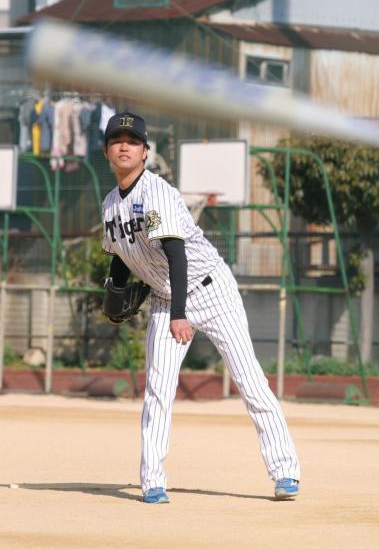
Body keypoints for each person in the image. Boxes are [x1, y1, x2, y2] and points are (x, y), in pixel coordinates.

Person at [99, 112, 301, 504]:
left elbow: (177, 255)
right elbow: (120, 254)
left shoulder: (155, 194)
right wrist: (115, 292)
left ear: (144, 151)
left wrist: (179, 314)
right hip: (165, 295)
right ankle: (152, 480)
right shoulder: (111, 205)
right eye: (116, 139)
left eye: (133, 140)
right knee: (158, 388)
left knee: (249, 380)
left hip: (210, 290)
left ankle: (286, 471)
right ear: (107, 150)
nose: (124, 145)